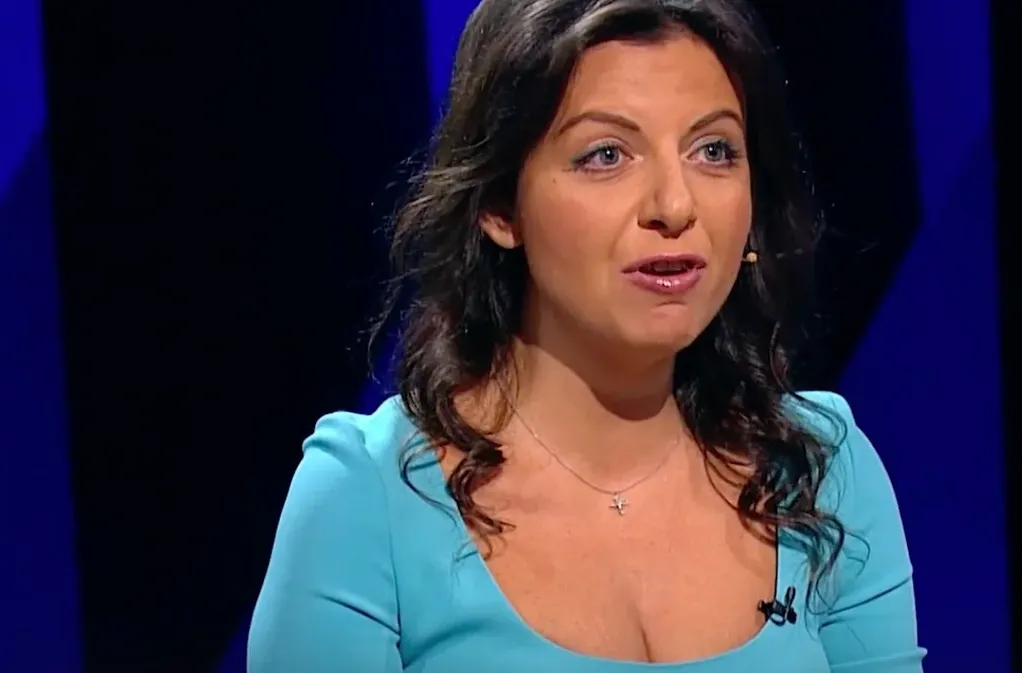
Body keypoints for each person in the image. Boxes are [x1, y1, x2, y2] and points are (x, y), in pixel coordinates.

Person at [247, 0, 925, 671]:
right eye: (606, 155)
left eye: (714, 150)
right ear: (500, 206)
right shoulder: (369, 496)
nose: (675, 205)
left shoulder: (820, 469)